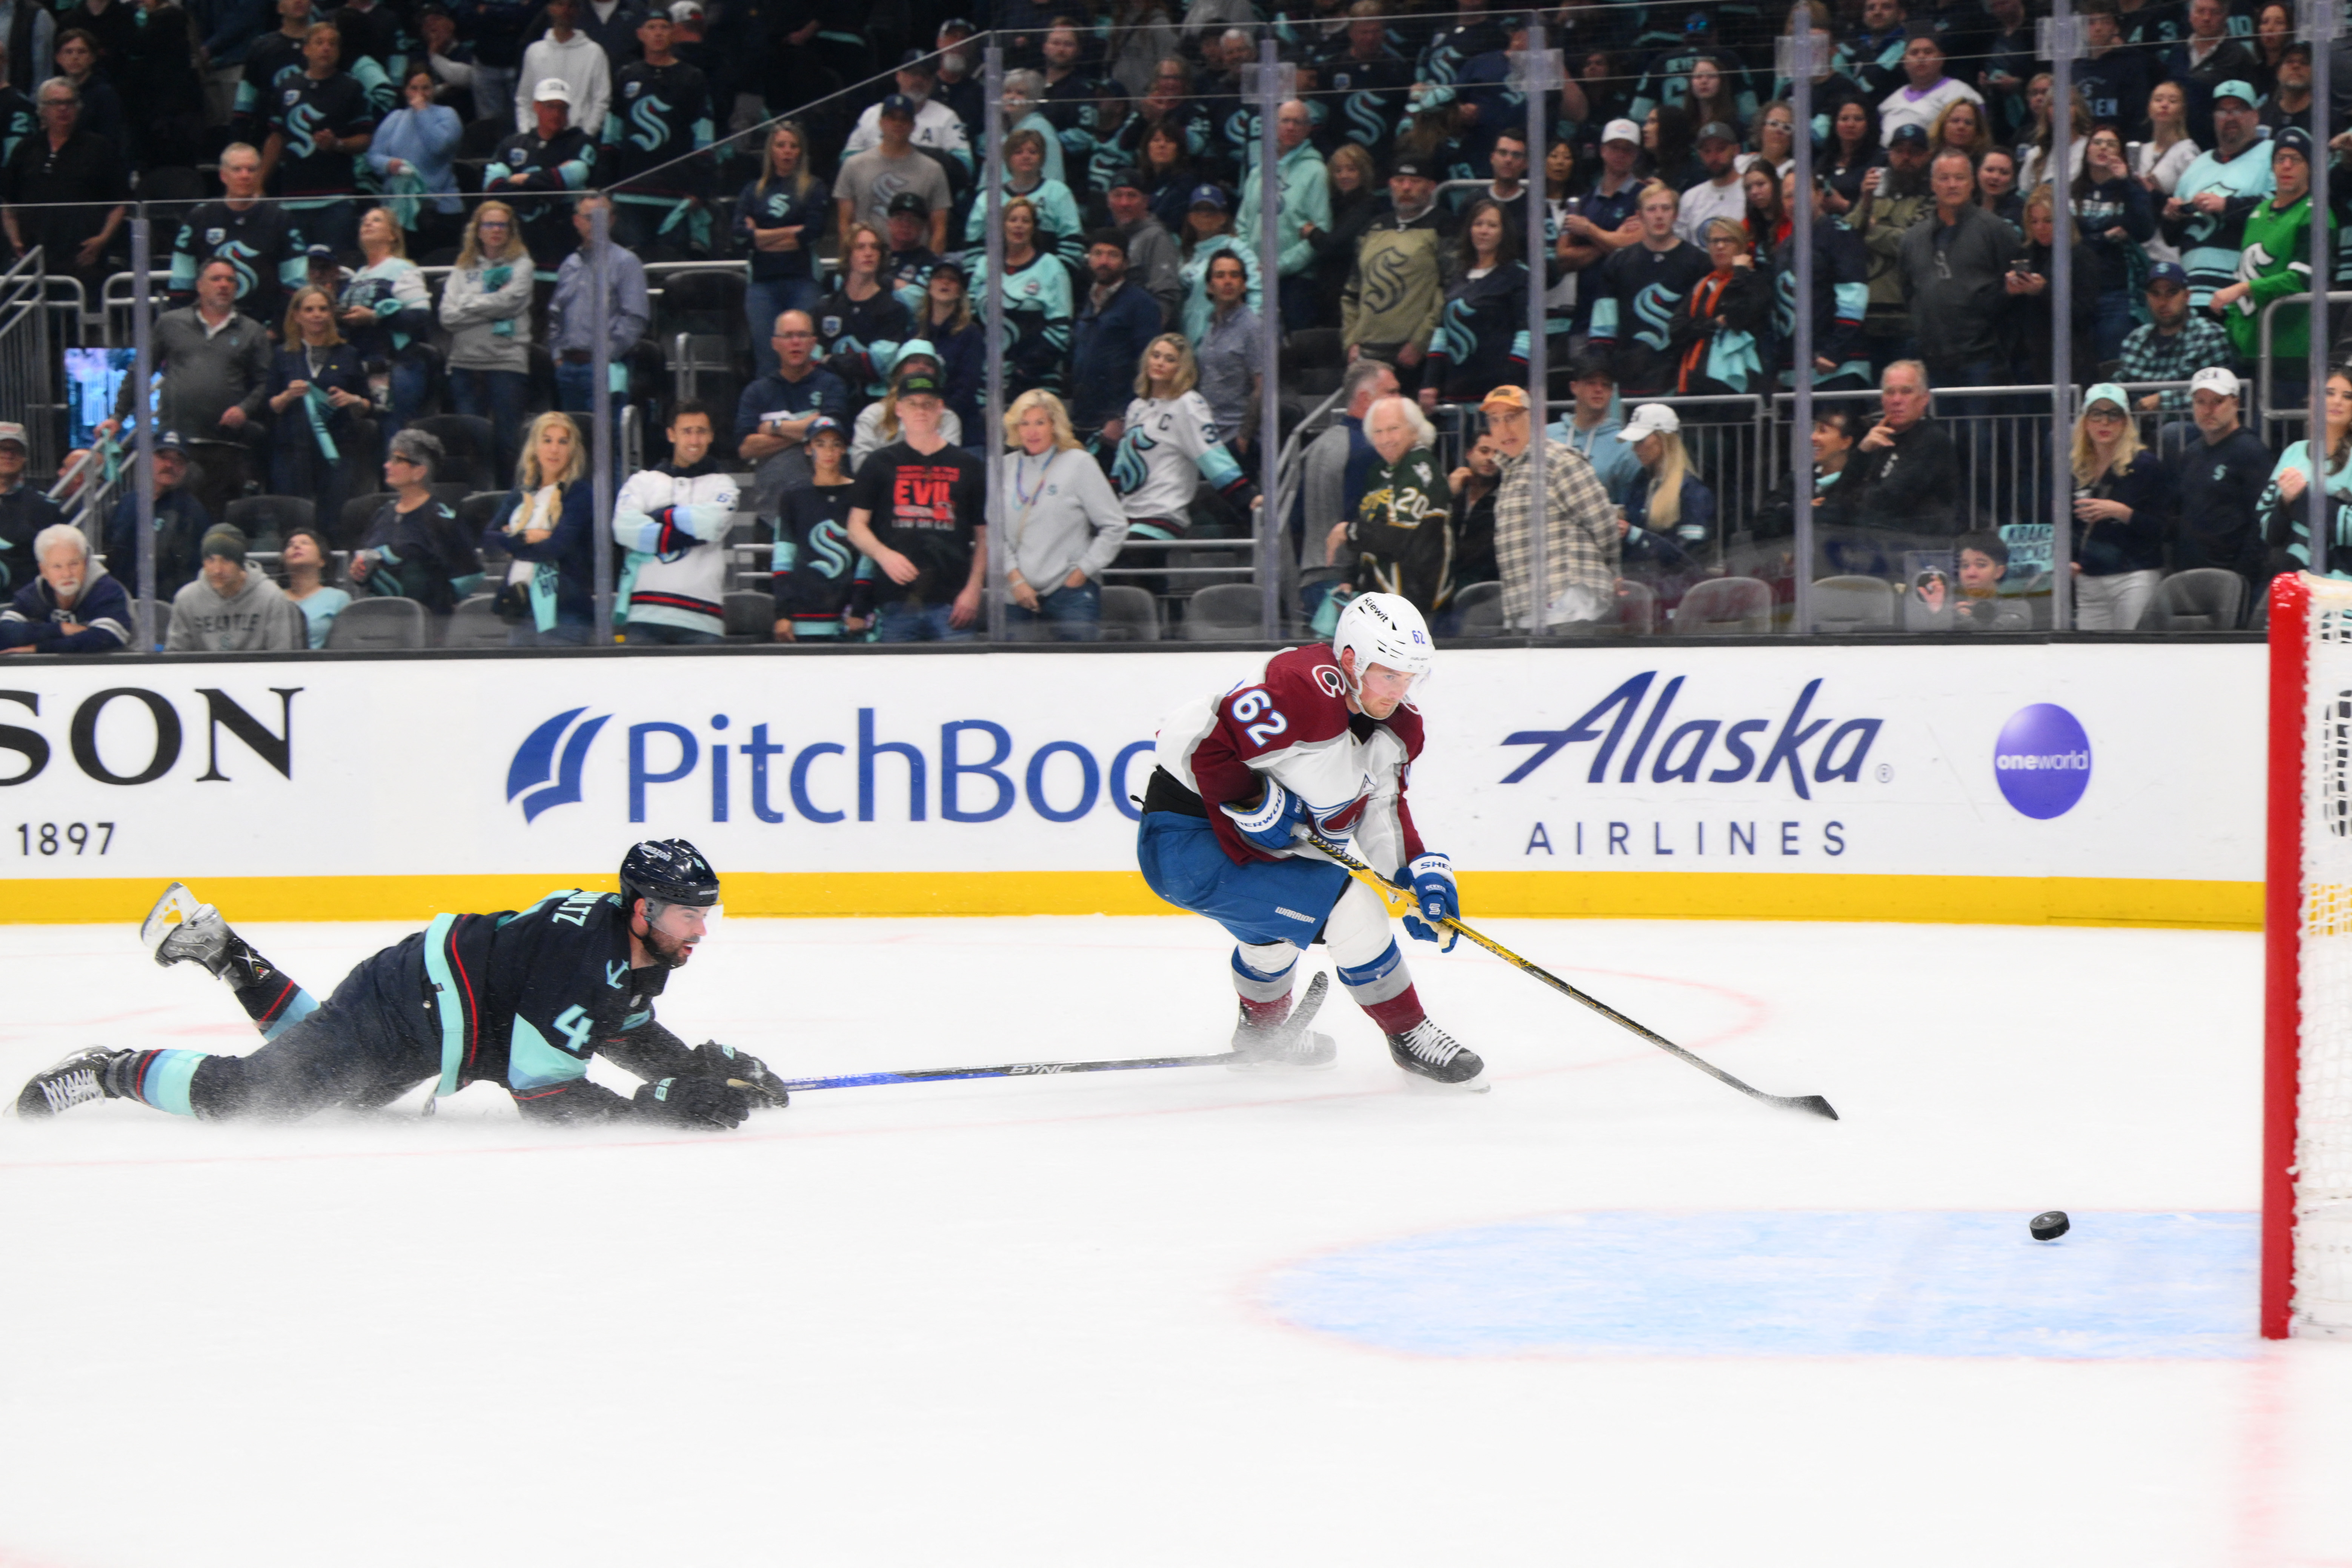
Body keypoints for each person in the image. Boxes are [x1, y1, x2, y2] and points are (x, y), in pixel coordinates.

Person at [15, 843, 784, 1131]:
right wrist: (660, 1106)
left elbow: (619, 1029)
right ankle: (109, 1068)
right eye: (691, 914)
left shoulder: (625, 947)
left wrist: (701, 1073)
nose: (701, 931)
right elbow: (545, 1095)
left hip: (419, 1007)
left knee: (324, 1076)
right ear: (645, 907)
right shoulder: (593, 956)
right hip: (404, 1008)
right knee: (255, 1098)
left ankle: (222, 951)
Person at [1133, 592, 1483, 1087]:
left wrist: (1416, 879)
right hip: (1189, 842)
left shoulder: (1398, 729)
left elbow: (1381, 811)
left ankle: (1264, 1035)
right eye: (1389, 674)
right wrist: (1253, 802)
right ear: (1349, 661)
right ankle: (1411, 1035)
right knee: (1350, 904)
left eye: (1410, 677)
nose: (1398, 690)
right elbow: (1197, 743)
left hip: (1249, 851)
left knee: (1273, 936)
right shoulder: (1302, 686)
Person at [102, 258, 271, 513]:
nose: (224, 285)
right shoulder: (170, 324)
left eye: (230, 280)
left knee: (217, 518)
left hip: (227, 445)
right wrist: (118, 416)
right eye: (216, 279)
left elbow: (266, 382)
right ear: (200, 286)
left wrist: (245, 409)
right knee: (175, 516)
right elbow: (140, 370)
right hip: (177, 443)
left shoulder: (253, 331)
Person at [845, 368, 987, 643]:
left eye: (928, 404)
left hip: (953, 601)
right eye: (912, 403)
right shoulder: (878, 463)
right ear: (899, 409)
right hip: (896, 601)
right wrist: (884, 555)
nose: (920, 411)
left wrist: (973, 589)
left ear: (941, 409)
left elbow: (983, 535)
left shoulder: (968, 466)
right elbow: (856, 527)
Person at [2212, 126, 2331, 409]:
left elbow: (2303, 280)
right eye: (2280, 159)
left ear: (2311, 168)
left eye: (2296, 159)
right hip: (2245, 354)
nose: (2287, 166)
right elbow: (2243, 269)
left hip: (2289, 359)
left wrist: (2243, 289)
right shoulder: (2258, 213)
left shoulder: (2315, 214)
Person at [1483, 383, 1619, 629]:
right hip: (1529, 606)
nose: (1503, 429)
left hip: (1568, 601)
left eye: (1511, 418)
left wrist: (1612, 571)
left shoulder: (1558, 461)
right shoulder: (1509, 472)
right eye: (1494, 421)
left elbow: (1604, 524)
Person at [1112, 332, 1257, 552]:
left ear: (1182, 368)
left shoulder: (1188, 404)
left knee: (1127, 568)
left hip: (1161, 515)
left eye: (1170, 360)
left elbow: (1211, 454)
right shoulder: (1136, 407)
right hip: (1127, 516)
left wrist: (1247, 496)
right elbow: (1121, 466)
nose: (1160, 363)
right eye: (1156, 356)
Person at [999, 388, 1125, 642]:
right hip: (1015, 593)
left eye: (1040, 423)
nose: (1032, 432)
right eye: (1025, 423)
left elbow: (1115, 526)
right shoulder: (1004, 467)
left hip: (1070, 594)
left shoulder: (1080, 463)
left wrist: (1080, 574)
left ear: (1055, 425)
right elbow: (993, 533)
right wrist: (1015, 580)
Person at [609, 400, 737, 644]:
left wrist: (660, 516)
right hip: (643, 618)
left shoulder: (723, 484)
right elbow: (624, 529)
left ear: (711, 436)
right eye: (687, 431)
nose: (694, 440)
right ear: (671, 435)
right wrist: (685, 528)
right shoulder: (643, 481)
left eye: (701, 431)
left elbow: (711, 524)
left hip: (702, 620)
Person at [1898, 149, 2012, 398]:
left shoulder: (1996, 231)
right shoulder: (1913, 238)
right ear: (1932, 185)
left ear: (1972, 183)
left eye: (1959, 178)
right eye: (1944, 178)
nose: (1952, 185)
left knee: (1980, 436)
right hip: (1931, 358)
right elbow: (1909, 291)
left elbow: (2014, 292)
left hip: (1983, 359)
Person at [1327, 394, 1451, 618]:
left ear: (1415, 430)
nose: (1385, 439)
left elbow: (1398, 537)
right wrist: (1350, 579)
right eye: (1378, 432)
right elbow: (1369, 529)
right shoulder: (1379, 472)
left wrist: (1349, 531)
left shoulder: (1419, 468)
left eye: (1393, 429)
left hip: (1418, 609)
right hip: (1384, 605)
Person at [0, 76, 127, 295]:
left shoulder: (99, 148)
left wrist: (102, 240)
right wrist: (15, 239)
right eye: (55, 104)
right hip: (35, 256)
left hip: (83, 256)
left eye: (69, 103)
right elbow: (8, 202)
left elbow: (120, 202)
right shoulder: (26, 149)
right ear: (42, 109)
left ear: (78, 108)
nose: (63, 109)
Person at [601, 8, 713, 255]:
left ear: (673, 33)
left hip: (676, 195)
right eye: (652, 28)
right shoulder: (626, 75)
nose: (658, 33)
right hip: (630, 194)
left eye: (664, 27)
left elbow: (704, 137)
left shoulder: (693, 78)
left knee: (672, 269)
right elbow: (612, 137)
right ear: (640, 34)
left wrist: (699, 190)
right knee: (631, 265)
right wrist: (607, 185)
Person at [260, 22, 375, 260]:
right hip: (293, 198)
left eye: (332, 44)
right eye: (320, 42)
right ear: (306, 49)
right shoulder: (286, 87)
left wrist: (338, 144)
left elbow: (366, 139)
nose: (326, 48)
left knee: (335, 266)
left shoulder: (351, 87)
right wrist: (259, 183)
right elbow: (276, 138)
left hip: (336, 199)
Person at [438, 202, 534, 484]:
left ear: (510, 231)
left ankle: (508, 498)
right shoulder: (462, 267)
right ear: (478, 231)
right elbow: (447, 318)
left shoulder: (523, 265)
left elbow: (511, 303)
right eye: (489, 225)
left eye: (501, 225)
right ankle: (477, 500)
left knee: (508, 442)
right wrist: (490, 308)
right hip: (464, 364)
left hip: (507, 363)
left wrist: (468, 303)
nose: (495, 230)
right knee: (472, 443)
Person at [546, 192, 650, 450]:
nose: (595, 224)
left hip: (605, 369)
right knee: (572, 449)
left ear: (613, 220)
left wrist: (606, 355)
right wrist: (558, 355)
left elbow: (635, 318)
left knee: (609, 446)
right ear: (576, 221)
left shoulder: (626, 263)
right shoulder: (569, 265)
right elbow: (554, 315)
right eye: (589, 218)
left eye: (602, 218)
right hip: (568, 370)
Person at [264, 284, 372, 529]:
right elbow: (272, 405)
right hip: (292, 449)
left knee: (333, 520)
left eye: (323, 309)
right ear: (297, 316)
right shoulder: (283, 355)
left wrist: (352, 399)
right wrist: (289, 395)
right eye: (310, 309)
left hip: (337, 450)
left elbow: (368, 404)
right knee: (293, 522)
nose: (317, 315)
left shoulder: (348, 354)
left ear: (332, 314)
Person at [1341, 156, 1453, 387]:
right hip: (1367, 353)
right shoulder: (1373, 228)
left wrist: (1421, 342)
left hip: (1413, 357)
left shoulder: (1444, 226)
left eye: (1415, 181)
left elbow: (1449, 290)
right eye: (1400, 180)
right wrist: (1351, 341)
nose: (1407, 187)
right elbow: (1352, 292)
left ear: (1431, 187)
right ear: (1390, 184)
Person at [487, 411, 598, 645]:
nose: (554, 449)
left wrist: (512, 540)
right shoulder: (521, 492)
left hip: (565, 616)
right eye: (547, 441)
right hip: (521, 612)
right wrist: (528, 537)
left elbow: (555, 548)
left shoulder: (580, 494)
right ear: (535, 447)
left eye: (562, 442)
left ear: (573, 450)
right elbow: (490, 541)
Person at [2068, 381, 2172, 630]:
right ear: (2085, 422)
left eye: (2113, 414)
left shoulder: (2147, 467)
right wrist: (2069, 559)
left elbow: (2164, 528)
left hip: (2134, 576)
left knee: (2133, 654)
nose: (2105, 422)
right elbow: (2065, 524)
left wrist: (2122, 513)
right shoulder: (2076, 469)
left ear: (2126, 422)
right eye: (2097, 414)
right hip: (2089, 578)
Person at [168, 141, 307, 325]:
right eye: (237, 170)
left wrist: (277, 329)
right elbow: (182, 282)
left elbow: (296, 283)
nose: (245, 176)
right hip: (209, 330)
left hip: (265, 329)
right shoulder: (200, 217)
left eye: (251, 170)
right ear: (223, 175)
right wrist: (188, 328)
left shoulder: (281, 218)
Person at [2163, 81, 2274, 308]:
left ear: (2255, 116)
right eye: (2223, 111)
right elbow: (2172, 237)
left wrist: (2227, 206)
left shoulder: (2272, 153)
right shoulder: (2198, 165)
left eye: (2239, 110)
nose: (2230, 117)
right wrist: (2171, 216)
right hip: (2193, 291)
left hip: (2242, 291)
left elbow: (2280, 207)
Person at [350, 428, 482, 617]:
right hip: (378, 622)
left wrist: (439, 607)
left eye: (397, 459)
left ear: (419, 471)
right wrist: (358, 572)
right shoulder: (382, 513)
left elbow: (471, 575)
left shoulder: (440, 518)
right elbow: (366, 563)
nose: (387, 465)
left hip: (425, 628)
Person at [2171, 364, 2272, 604]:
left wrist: (2242, 576)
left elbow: (2261, 522)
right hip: (2191, 577)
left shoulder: (2251, 452)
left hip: (2234, 581)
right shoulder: (2192, 453)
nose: (2208, 410)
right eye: (2201, 402)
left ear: (2235, 404)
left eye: (2217, 401)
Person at [736, 120, 828, 380]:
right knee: (767, 357)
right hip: (763, 285)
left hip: (802, 281)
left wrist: (761, 236)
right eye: (781, 145)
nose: (787, 151)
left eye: (793, 146)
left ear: (801, 152)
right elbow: (741, 236)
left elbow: (811, 233)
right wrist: (789, 231)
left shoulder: (814, 188)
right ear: (771, 151)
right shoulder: (753, 190)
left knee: (804, 355)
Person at [1420, 198, 1529, 411]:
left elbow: (1526, 334)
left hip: (1498, 394)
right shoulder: (1458, 277)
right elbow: (1442, 334)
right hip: (1455, 392)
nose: (1484, 231)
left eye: (1492, 225)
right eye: (1478, 224)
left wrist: (1515, 384)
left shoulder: (1518, 276)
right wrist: (1430, 383)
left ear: (1504, 232)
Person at [1841, 360, 1960, 549]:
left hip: (1918, 548)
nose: (1896, 400)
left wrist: (1849, 502)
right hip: (1876, 544)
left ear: (1924, 399)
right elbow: (1841, 489)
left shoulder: (1932, 440)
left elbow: (1889, 500)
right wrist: (1863, 451)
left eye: (1906, 392)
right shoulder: (1877, 437)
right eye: (1890, 392)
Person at [485, 77, 597, 277]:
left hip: (564, 243)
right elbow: (493, 189)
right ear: (536, 107)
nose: (557, 114)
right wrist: (544, 188)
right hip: (520, 246)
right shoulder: (513, 144)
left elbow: (576, 175)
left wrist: (522, 180)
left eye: (563, 108)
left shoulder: (579, 142)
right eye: (550, 106)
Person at [1234, 98, 1330, 331]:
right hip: (1254, 279)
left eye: (1298, 122)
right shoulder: (1259, 172)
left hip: (1296, 284)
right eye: (1285, 121)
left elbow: (1322, 230)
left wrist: (1277, 266)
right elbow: (1242, 224)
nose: (1290, 127)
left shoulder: (1316, 172)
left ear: (1308, 129)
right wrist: (1251, 264)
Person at [770, 416, 869, 641]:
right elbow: (783, 558)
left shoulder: (860, 494)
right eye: (820, 444)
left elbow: (866, 558)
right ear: (808, 449)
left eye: (836, 444)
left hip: (848, 618)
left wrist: (860, 609)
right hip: (803, 616)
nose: (829, 451)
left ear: (845, 449)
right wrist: (783, 614)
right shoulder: (793, 497)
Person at [339, 205, 434, 437]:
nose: (368, 224)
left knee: (392, 432)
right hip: (360, 364)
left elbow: (419, 315)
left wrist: (373, 318)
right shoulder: (358, 275)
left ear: (393, 235)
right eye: (365, 221)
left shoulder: (402, 269)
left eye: (377, 220)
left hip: (394, 365)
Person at [967, 197, 1074, 402]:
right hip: (987, 382)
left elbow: (1062, 331)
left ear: (1034, 227)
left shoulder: (1052, 268)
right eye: (1013, 219)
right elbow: (971, 318)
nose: (1019, 226)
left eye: (1026, 221)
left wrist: (1023, 372)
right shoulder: (985, 265)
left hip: (1037, 383)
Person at [2261, 363, 2352, 580]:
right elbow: (2267, 530)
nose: (2337, 401)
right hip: (2294, 579)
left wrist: (2301, 500)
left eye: (2348, 396)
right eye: (2329, 393)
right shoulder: (2294, 452)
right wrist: (2285, 503)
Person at [2074, 124, 2156, 364]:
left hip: (2117, 292)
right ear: (2087, 151)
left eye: (2111, 145)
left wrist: (2126, 182)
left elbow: (2144, 230)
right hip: (2077, 291)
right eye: (2098, 143)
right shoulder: (2070, 192)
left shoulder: (2131, 190)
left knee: (2112, 363)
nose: (2104, 148)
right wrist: (2103, 238)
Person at [1666, 216, 1772, 397]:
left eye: (1728, 240)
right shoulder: (1703, 285)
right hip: (1696, 385)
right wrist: (1714, 324)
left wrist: (1740, 273)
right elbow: (1676, 330)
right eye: (1715, 241)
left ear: (1741, 247)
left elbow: (1737, 318)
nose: (1720, 246)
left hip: (1738, 391)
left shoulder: (1756, 283)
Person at [1072, 228, 1163, 438]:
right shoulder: (1087, 301)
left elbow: (1149, 366)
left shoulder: (1141, 304)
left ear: (1126, 262)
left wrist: (1123, 416)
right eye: (1098, 254)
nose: (1104, 261)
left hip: (1118, 422)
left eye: (1112, 255)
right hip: (1085, 415)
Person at [102, 430, 213, 603]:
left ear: (185, 469)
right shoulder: (126, 505)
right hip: (123, 608)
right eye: (163, 457)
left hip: (170, 612)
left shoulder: (193, 513)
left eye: (178, 460)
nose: (170, 465)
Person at [1855, 121, 1931, 368]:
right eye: (1900, 151)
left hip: (1909, 318)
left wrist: (1872, 230)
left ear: (1927, 156)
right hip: (1867, 317)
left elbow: (1914, 243)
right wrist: (1865, 201)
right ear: (1889, 154)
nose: (1906, 158)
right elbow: (1848, 235)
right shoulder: (1876, 198)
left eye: (1915, 152)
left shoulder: (1932, 199)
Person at [367, 63, 463, 257]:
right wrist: (389, 164)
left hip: (440, 210)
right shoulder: (395, 118)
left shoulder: (448, 115)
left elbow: (440, 146)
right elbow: (373, 156)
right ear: (405, 91)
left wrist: (422, 111)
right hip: (400, 212)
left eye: (426, 88)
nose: (420, 93)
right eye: (414, 88)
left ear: (434, 89)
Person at [815, 221, 912, 409]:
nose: (869, 253)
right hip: (829, 401)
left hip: (876, 404)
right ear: (848, 255)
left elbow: (878, 366)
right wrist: (853, 362)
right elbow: (812, 360)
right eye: (861, 247)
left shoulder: (894, 309)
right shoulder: (825, 307)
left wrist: (831, 360)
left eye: (874, 248)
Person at [165, 524, 306, 652]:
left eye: (226, 561)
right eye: (211, 560)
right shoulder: (187, 599)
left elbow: (281, 657)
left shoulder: (271, 597)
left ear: (240, 564)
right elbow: (175, 657)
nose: (217, 570)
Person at [833, 93, 952, 242]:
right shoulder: (853, 165)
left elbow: (939, 228)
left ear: (913, 126)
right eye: (892, 118)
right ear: (881, 123)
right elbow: (845, 224)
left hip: (915, 260)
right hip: (869, 257)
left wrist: (932, 264)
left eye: (904, 119)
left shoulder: (933, 170)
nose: (898, 123)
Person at [2123, 261, 2236, 415]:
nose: (2163, 302)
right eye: (2156, 294)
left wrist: (2163, 401)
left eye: (2172, 293)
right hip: (2139, 427)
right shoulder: (2135, 339)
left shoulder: (2210, 336)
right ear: (2147, 298)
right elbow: (2120, 384)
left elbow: (2219, 393)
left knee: (2172, 432)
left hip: (2193, 428)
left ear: (2188, 296)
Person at [0, 521, 130, 652]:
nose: (67, 574)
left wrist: (38, 649)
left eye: (74, 564)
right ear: (44, 570)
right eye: (57, 567)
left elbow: (107, 638)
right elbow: (4, 632)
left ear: (85, 563)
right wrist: (61, 629)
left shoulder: (107, 591)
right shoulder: (35, 593)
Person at [1620, 401, 1715, 553]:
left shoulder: (1692, 491)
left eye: (1640, 441)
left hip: (1676, 577)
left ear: (1664, 440)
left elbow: (1691, 552)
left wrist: (1635, 535)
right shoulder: (1641, 482)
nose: (1634, 448)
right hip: (1635, 575)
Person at [1195, 250, 1262, 460]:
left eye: (1235, 275)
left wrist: (1244, 436)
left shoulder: (1253, 328)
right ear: (1209, 286)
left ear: (1243, 285)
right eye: (1220, 275)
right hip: (1210, 435)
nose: (1228, 281)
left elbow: (1263, 386)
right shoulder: (1211, 326)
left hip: (1237, 438)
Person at [1546, 354, 1641, 501]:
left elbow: (1628, 506)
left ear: (1613, 392)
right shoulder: (1547, 435)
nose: (1599, 390)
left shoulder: (1625, 446)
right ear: (1574, 387)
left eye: (1606, 385)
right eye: (1591, 383)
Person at [1175, 183, 1257, 344]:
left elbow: (1257, 292)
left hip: (1223, 340)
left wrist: (1247, 333)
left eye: (1211, 210)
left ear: (1224, 217)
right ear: (1190, 217)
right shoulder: (1186, 253)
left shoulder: (1237, 249)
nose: (1205, 215)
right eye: (1199, 209)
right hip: (1188, 339)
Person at [514, 0, 608, 135]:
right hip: (539, 137)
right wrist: (527, 133)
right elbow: (524, 99)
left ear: (577, 11)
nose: (565, 10)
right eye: (560, 4)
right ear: (550, 8)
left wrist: (587, 134)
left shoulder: (594, 52)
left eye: (571, 6)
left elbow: (601, 99)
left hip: (577, 136)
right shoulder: (534, 52)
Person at [1105, 168, 1183, 326]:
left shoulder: (1157, 237)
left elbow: (1166, 300)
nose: (1124, 203)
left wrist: (1145, 340)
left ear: (1146, 201)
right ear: (1108, 201)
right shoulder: (1110, 238)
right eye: (1118, 196)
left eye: (1132, 196)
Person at [1908, 529, 2031, 630]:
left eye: (1981, 565)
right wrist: (1938, 610)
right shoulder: (1947, 606)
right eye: (1965, 566)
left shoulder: (2017, 607)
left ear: (1999, 572)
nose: (1971, 573)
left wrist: (1951, 617)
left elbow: (1992, 639)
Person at [1877, 26, 1981, 141]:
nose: (1921, 57)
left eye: (1928, 52)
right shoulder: (1888, 103)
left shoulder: (1962, 94)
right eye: (1914, 53)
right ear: (1904, 62)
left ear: (1942, 59)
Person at [0, 418, 60, 597]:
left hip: (26, 609)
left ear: (25, 458)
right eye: (3, 448)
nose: (9, 455)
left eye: (16, 450)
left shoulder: (44, 508)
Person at [1676, 118, 1752, 244]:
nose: (1714, 157)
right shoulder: (1690, 198)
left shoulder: (1751, 190)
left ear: (1736, 150)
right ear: (1700, 155)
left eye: (1721, 149)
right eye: (1707, 151)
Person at [275, 522, 350, 647]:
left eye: (305, 543)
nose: (297, 546)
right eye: (290, 545)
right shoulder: (273, 598)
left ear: (322, 560)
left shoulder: (339, 599)